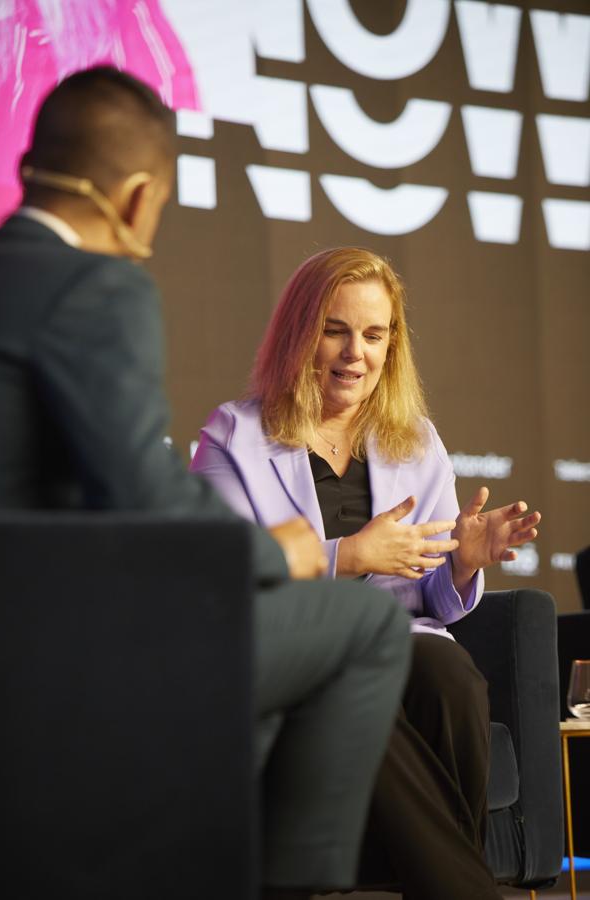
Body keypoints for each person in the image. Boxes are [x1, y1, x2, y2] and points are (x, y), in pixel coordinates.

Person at [0, 70, 413, 900]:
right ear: (140, 196)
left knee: (252, 656)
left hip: (25, 624)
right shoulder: (94, 288)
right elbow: (142, 499)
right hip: (58, 646)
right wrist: (276, 551)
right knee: (362, 624)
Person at [191, 246, 542, 900]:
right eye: (336, 329)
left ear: (392, 346)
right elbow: (223, 581)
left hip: (400, 639)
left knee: (454, 679)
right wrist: (346, 557)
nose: (357, 352)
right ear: (301, 332)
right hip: (292, 651)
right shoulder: (233, 438)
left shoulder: (416, 440)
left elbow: (429, 597)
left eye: (375, 335)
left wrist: (464, 561)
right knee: (355, 678)